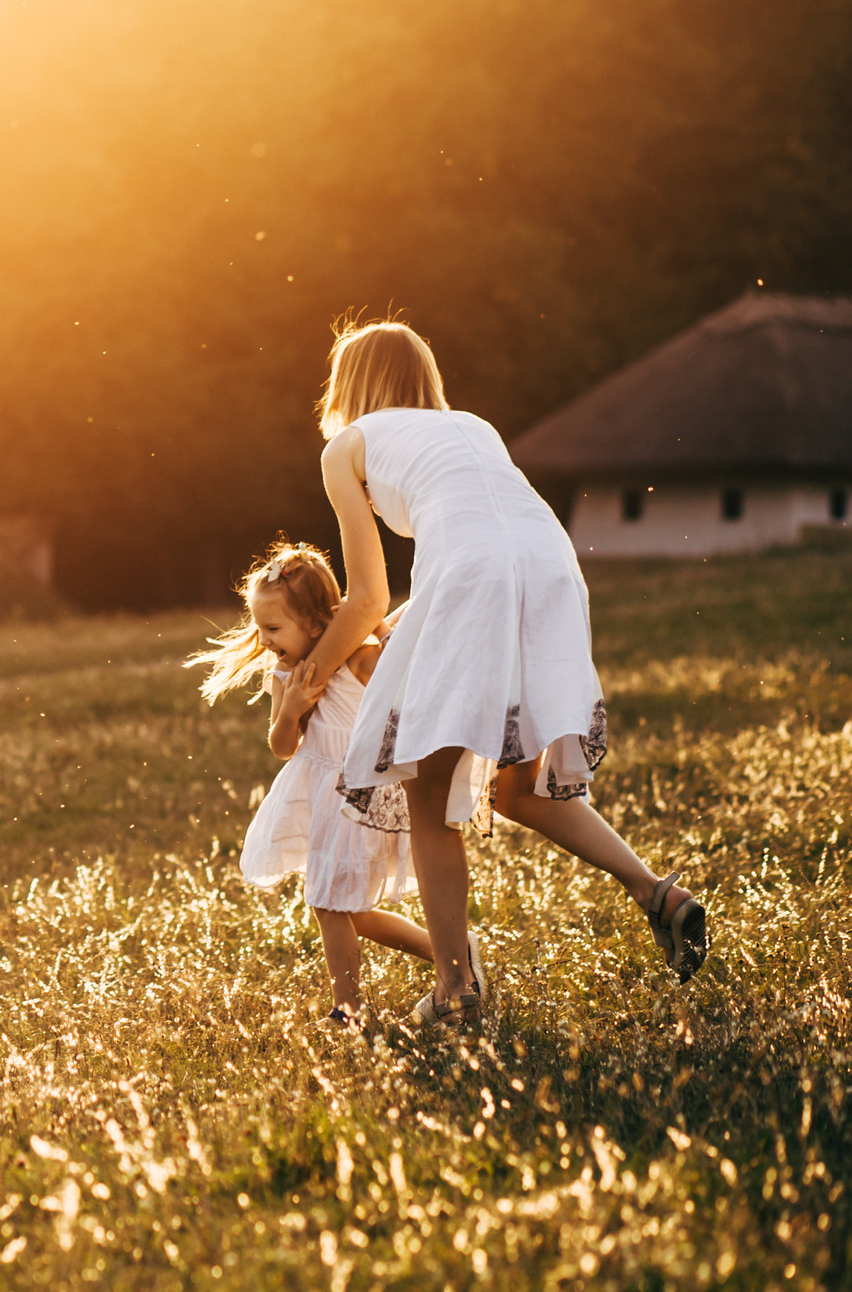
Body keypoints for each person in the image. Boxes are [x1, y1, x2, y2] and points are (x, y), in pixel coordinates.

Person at [297, 321, 709, 1031]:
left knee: (427, 793)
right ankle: (657, 893)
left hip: (473, 571)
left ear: (348, 384)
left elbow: (366, 595)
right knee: (518, 788)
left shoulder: (348, 444)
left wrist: (309, 675)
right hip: (550, 565)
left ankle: (457, 989)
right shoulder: (472, 425)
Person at [191, 542, 446, 1028]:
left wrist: (378, 625)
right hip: (321, 794)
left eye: (273, 628)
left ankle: (347, 1012)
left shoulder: (359, 659)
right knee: (353, 911)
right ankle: (453, 956)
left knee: (329, 902)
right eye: (259, 628)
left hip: (359, 796)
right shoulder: (286, 672)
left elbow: (406, 678)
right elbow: (282, 746)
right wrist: (290, 709)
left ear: (314, 623)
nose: (263, 640)